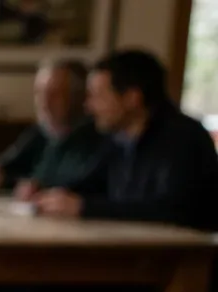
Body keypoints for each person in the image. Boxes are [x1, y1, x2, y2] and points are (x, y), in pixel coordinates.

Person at [34, 49, 218, 232]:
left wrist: (84, 207)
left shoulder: (183, 138)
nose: (88, 107)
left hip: (188, 256)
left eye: (97, 96)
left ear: (132, 98)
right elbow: (88, 185)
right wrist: (46, 193)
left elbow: (173, 211)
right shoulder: (120, 138)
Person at [0, 59, 104, 197]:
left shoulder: (97, 137)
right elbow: (7, 167)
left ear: (79, 97)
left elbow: (76, 187)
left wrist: (28, 186)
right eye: (39, 93)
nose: (44, 101)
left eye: (54, 94)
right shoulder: (40, 131)